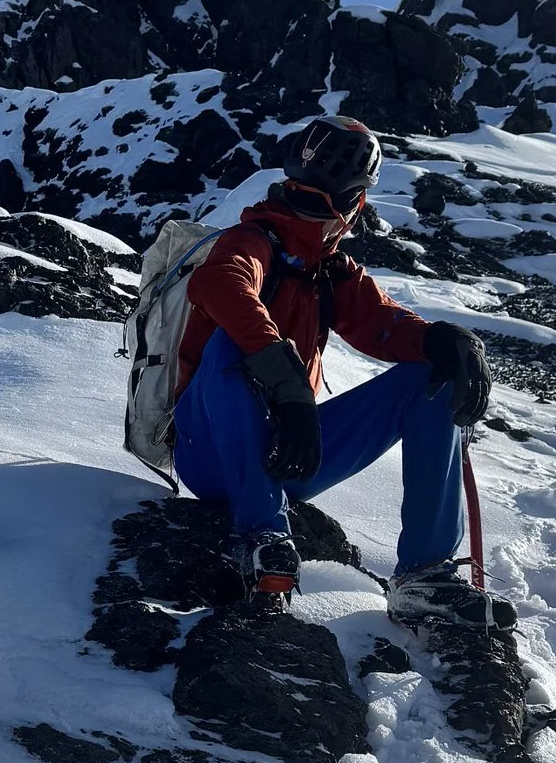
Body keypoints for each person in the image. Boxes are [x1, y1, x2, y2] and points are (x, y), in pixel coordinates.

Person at [170, 115, 492, 619]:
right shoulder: (250, 242)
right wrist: (287, 385)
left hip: (290, 451)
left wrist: (441, 340)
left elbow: (382, 324)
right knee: (229, 345)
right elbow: (222, 287)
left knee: (428, 374)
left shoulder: (329, 271)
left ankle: (425, 574)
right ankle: (263, 535)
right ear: (355, 203)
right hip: (210, 457)